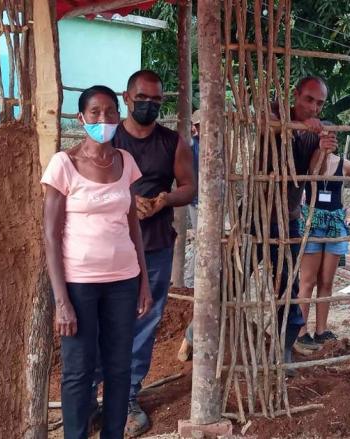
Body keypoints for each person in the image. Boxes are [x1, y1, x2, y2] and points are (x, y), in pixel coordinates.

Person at [42, 85, 153, 439]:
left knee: (120, 368)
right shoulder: (64, 164)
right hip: (78, 285)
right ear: (81, 117)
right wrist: (61, 301)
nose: (102, 119)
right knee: (78, 370)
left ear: (118, 117)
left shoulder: (126, 161)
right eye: (94, 112)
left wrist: (144, 283)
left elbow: (133, 223)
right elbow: (50, 235)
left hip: (124, 280)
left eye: (109, 112)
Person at [113, 70, 196, 437]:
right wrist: (127, 201)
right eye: (142, 98)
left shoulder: (172, 142)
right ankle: (95, 393)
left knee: (144, 322)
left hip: (156, 245)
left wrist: (164, 200)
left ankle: (127, 396)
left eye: (156, 101)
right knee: (106, 320)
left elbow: (189, 187)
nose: (149, 105)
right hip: (110, 245)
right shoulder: (108, 138)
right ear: (126, 97)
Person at [258, 76, 338, 369]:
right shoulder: (274, 111)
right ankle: (197, 333)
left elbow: (314, 173)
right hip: (254, 215)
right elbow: (267, 123)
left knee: (287, 288)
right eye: (309, 100)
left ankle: (283, 348)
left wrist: (324, 148)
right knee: (232, 279)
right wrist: (301, 126)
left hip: (287, 218)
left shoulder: (317, 132)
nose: (314, 108)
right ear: (295, 95)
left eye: (319, 103)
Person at [296, 151, 350, 351]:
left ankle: (321, 330)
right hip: (311, 223)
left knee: (326, 281)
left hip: (335, 223)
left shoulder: (344, 164)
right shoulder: (307, 160)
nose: (329, 140)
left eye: (332, 137)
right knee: (307, 281)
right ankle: (300, 332)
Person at [177, 109, 201, 363]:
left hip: (207, 200)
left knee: (204, 244)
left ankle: (194, 279)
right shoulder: (192, 148)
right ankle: (193, 280)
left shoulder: (211, 146)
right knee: (202, 243)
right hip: (198, 200)